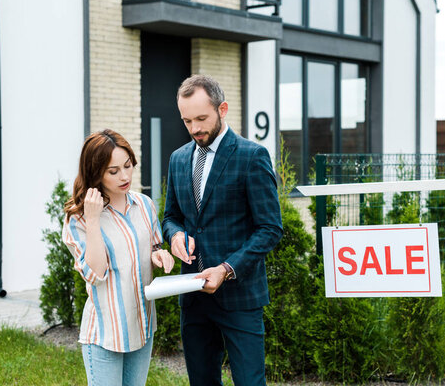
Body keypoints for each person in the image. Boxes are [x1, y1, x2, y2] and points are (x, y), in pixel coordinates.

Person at [162, 74, 283, 386]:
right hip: (192, 297)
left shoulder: (251, 156)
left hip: (240, 298)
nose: (194, 129)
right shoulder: (177, 159)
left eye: (201, 118)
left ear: (222, 109)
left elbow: (270, 228)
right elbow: (171, 217)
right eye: (187, 120)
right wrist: (175, 235)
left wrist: (227, 269)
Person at [62, 129, 175, 386]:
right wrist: (93, 219)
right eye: (113, 171)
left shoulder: (144, 205)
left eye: (128, 166)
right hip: (105, 334)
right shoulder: (78, 219)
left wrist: (160, 255)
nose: (125, 176)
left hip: (143, 327)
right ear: (96, 172)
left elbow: (154, 246)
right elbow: (95, 273)